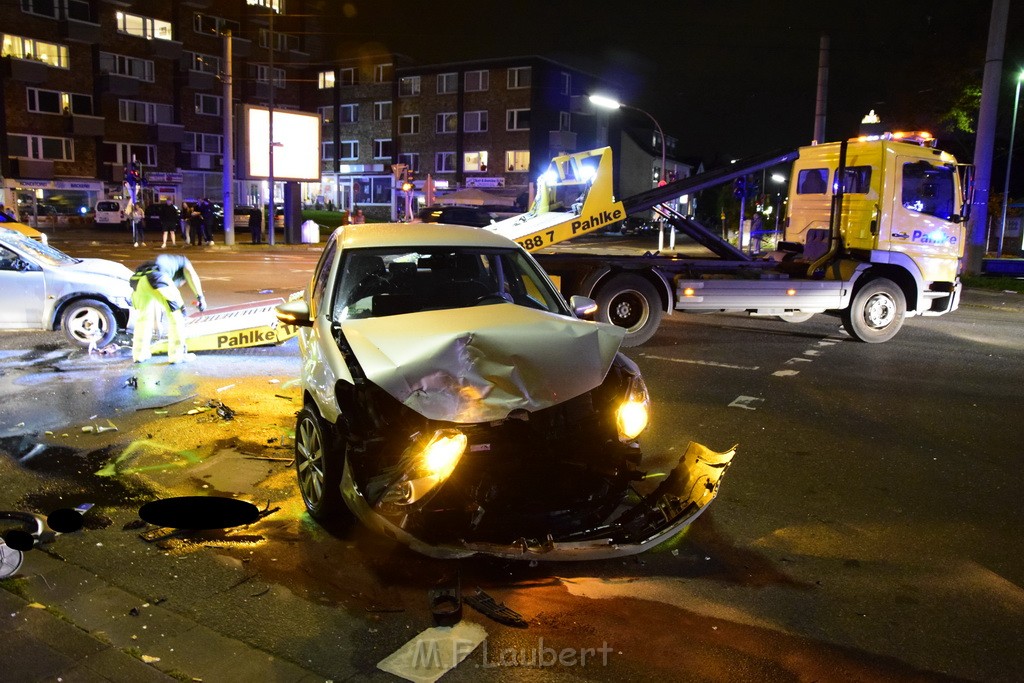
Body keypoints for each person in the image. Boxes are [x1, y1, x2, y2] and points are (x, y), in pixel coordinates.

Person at [130, 253, 206, 364]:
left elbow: (156, 301)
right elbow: (191, 274)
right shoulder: (183, 261)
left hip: (137, 280)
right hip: (155, 277)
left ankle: (139, 354)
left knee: (144, 318)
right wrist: (200, 297)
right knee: (177, 315)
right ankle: (177, 355)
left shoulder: (165, 264)